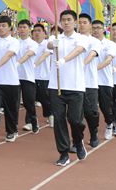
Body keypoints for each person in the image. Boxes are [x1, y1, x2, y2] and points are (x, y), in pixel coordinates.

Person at [47, 10, 88, 167]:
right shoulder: (56, 37)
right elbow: (48, 45)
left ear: (75, 22)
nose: (66, 22)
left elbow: (78, 50)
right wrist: (53, 44)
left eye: (69, 19)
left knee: (75, 119)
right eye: (63, 20)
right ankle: (63, 153)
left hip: (75, 85)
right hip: (56, 85)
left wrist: (64, 60)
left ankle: (78, 141)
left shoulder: (81, 38)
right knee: (58, 119)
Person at [0, 15, 21, 142]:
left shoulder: (14, 41)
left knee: (10, 109)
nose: (1, 28)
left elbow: (9, 55)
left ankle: (11, 131)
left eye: (3, 26)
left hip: (11, 81)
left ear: (9, 27)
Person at [77, 13, 101, 148]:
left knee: (91, 112)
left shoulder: (95, 41)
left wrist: (80, 66)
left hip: (90, 82)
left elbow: (92, 55)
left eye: (84, 22)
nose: (81, 25)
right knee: (76, 115)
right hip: (75, 83)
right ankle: (77, 140)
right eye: (79, 22)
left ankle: (94, 133)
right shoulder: (73, 39)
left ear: (90, 25)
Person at [92, 20, 116, 141]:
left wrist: (94, 68)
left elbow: (108, 60)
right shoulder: (89, 42)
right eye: (94, 28)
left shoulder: (109, 44)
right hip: (91, 81)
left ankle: (109, 123)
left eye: (98, 28)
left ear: (103, 29)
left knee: (105, 107)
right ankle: (94, 130)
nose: (96, 30)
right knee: (91, 109)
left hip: (104, 81)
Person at [16, 19, 39, 134]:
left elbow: (29, 54)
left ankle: (33, 121)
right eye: (20, 27)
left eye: (24, 27)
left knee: (28, 102)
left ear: (29, 29)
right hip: (14, 77)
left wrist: (18, 63)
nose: (22, 30)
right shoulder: (15, 42)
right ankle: (13, 127)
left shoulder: (33, 44)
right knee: (14, 103)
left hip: (27, 76)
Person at [33, 24, 53, 127]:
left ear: (44, 34)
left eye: (39, 30)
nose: (37, 33)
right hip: (30, 77)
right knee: (30, 100)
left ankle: (50, 115)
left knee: (45, 99)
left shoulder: (47, 44)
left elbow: (45, 55)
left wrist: (35, 64)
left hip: (44, 76)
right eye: (35, 31)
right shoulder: (31, 44)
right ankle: (30, 121)